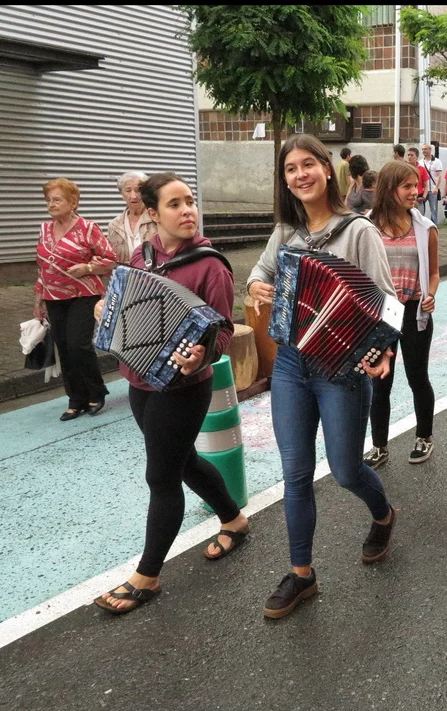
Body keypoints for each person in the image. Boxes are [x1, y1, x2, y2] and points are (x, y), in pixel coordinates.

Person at [246, 134, 398, 619]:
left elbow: (388, 302)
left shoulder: (358, 231)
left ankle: (384, 515)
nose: (300, 175)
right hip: (291, 364)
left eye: (308, 164)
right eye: (290, 169)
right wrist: (257, 287)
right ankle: (302, 574)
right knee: (296, 473)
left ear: (327, 169)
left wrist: (384, 351)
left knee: (346, 469)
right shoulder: (284, 232)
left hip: (342, 367)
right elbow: (257, 274)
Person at [90, 172, 250, 614]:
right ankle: (234, 519)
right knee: (184, 462)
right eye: (175, 204)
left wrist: (201, 355)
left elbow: (223, 332)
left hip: (183, 387)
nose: (187, 211)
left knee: (161, 478)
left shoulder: (210, 265)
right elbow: (123, 305)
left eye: (190, 201)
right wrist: (105, 308)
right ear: (153, 213)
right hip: (139, 380)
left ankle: (148, 575)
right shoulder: (141, 256)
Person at [363, 161, 440, 468]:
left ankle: (424, 437)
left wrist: (430, 294)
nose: (415, 192)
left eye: (416, 186)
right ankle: (379, 446)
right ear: (389, 188)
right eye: (407, 186)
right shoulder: (366, 226)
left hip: (414, 310)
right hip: (379, 313)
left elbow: (433, 273)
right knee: (380, 382)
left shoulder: (425, 227)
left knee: (417, 377)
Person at [34, 178, 117, 421]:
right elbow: (42, 268)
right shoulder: (44, 229)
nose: (51, 204)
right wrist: (37, 300)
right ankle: (76, 399)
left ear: (73, 202)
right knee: (63, 347)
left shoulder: (88, 228)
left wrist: (88, 268)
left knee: (78, 345)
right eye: (48, 200)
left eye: (57, 200)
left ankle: (96, 392)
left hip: (84, 294)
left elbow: (111, 259)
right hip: (53, 296)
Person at [106, 171, 157, 264]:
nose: (133, 196)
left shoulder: (157, 219)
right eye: (128, 191)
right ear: (122, 194)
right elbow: (110, 258)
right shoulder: (114, 225)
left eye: (138, 190)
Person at [420, 143, 444, 225]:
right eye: (422, 149)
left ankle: (434, 227)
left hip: (432, 189)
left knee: (433, 210)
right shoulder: (420, 162)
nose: (423, 151)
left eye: (425, 149)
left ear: (430, 150)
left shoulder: (436, 161)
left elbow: (439, 175)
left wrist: (436, 187)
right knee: (420, 209)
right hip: (423, 190)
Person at [406, 147, 430, 214]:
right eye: (408, 155)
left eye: (412, 155)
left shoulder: (422, 169)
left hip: (419, 198)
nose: (409, 157)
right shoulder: (404, 168)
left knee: (420, 217)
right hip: (407, 197)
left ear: (417, 157)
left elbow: (426, 185)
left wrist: (424, 197)